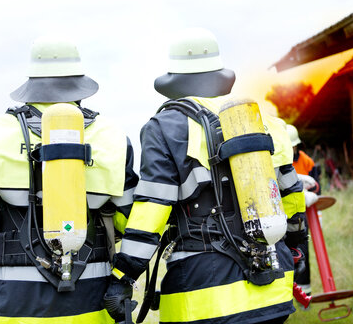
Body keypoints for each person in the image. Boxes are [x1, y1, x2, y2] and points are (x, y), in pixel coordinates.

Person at [104, 28, 307, 324]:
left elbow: (153, 209)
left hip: (204, 295)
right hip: (274, 284)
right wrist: (297, 246)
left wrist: (124, 274)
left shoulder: (164, 126)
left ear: (175, 79)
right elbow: (291, 195)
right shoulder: (261, 119)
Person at [0, 35, 138, 323]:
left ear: (32, 84)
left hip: (11, 303)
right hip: (91, 298)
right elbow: (129, 219)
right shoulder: (112, 136)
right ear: (80, 87)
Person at [286, 124, 319, 297]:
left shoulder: (306, 161)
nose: (291, 149)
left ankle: (305, 292)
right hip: (285, 214)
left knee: (303, 250)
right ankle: (289, 291)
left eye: (293, 145)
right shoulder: (279, 162)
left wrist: (309, 194)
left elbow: (316, 187)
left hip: (303, 213)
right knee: (285, 253)